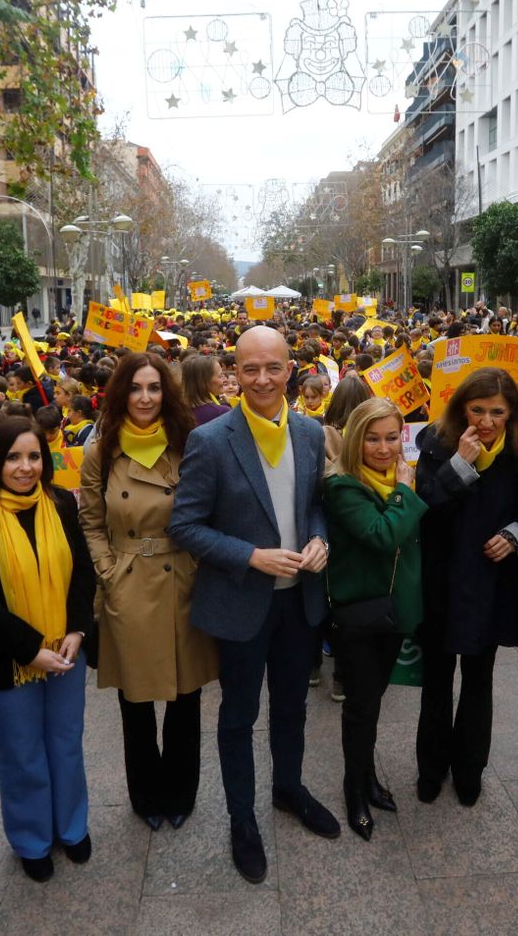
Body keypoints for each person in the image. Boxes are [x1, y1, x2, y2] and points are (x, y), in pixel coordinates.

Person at [169, 325, 336, 885]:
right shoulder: (211, 440)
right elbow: (185, 525)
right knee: (239, 718)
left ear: (292, 369)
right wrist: (251, 557)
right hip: (241, 604)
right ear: (232, 374)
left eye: (273, 368)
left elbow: (315, 504)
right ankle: (243, 822)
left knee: (291, 708)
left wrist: (319, 538)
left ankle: (288, 789)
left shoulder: (311, 433)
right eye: (249, 369)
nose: (262, 379)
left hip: (299, 605)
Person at [79, 353, 217, 831]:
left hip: (184, 578)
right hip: (128, 581)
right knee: (134, 703)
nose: (144, 397)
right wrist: (108, 571)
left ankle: (180, 793)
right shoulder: (100, 451)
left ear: (167, 393)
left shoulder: (190, 443)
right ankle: (145, 795)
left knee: (185, 700)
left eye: (154, 388)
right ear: (121, 393)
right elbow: (91, 522)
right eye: (135, 388)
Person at [0, 416, 96, 883]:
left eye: (34, 456)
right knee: (22, 753)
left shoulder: (60, 503)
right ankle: (31, 838)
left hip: (66, 650)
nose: (25, 467)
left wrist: (78, 631)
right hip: (8, 659)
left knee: (66, 744)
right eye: (13, 457)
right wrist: (30, 650)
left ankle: (72, 827)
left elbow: (82, 573)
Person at [414, 367, 518, 806]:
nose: (486, 421)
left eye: (497, 412)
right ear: (461, 406)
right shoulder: (436, 439)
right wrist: (460, 464)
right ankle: (430, 768)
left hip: (490, 581)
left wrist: (514, 534)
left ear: (512, 413)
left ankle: (470, 769)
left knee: (479, 679)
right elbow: (423, 505)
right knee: (437, 678)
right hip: (442, 579)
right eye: (477, 410)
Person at [322, 397, 426, 838]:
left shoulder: (397, 477)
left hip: (394, 612)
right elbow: (383, 536)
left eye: (391, 437)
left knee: (374, 701)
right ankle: (354, 788)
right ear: (354, 438)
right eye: (372, 438)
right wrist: (405, 490)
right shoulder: (343, 485)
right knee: (361, 708)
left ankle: (367, 777)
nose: (383, 449)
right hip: (359, 616)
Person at [182, 353, 231, 426]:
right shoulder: (221, 413)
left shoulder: (179, 412)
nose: (225, 379)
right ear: (204, 382)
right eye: (220, 375)